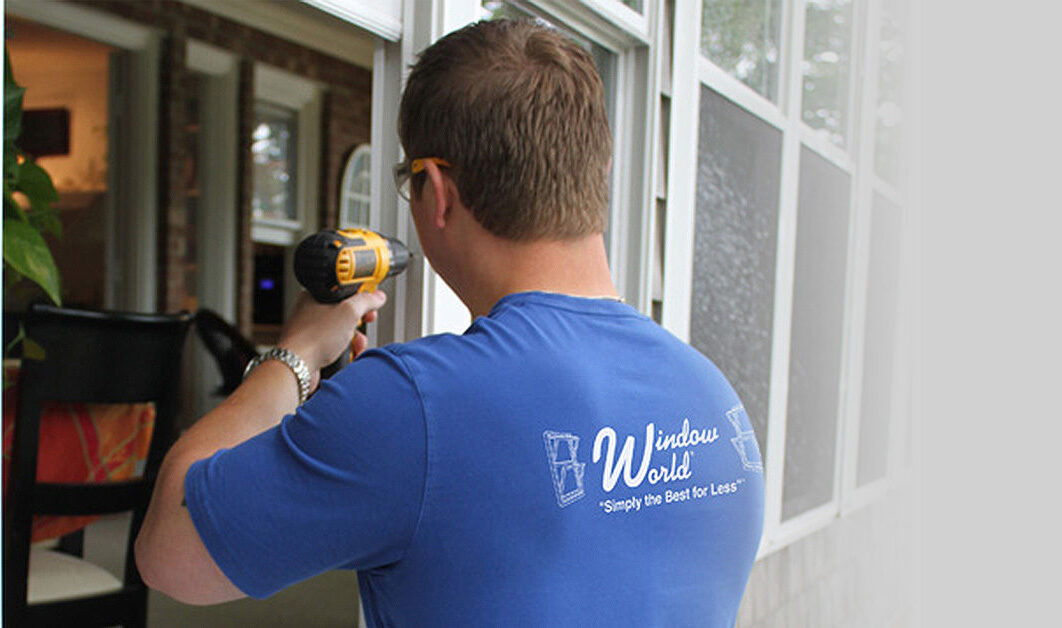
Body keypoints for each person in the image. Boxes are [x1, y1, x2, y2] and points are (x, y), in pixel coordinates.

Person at [136, 18, 764, 626]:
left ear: (436, 192)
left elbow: (170, 551)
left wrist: (293, 357)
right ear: (598, 175)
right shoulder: (716, 404)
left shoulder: (413, 403)